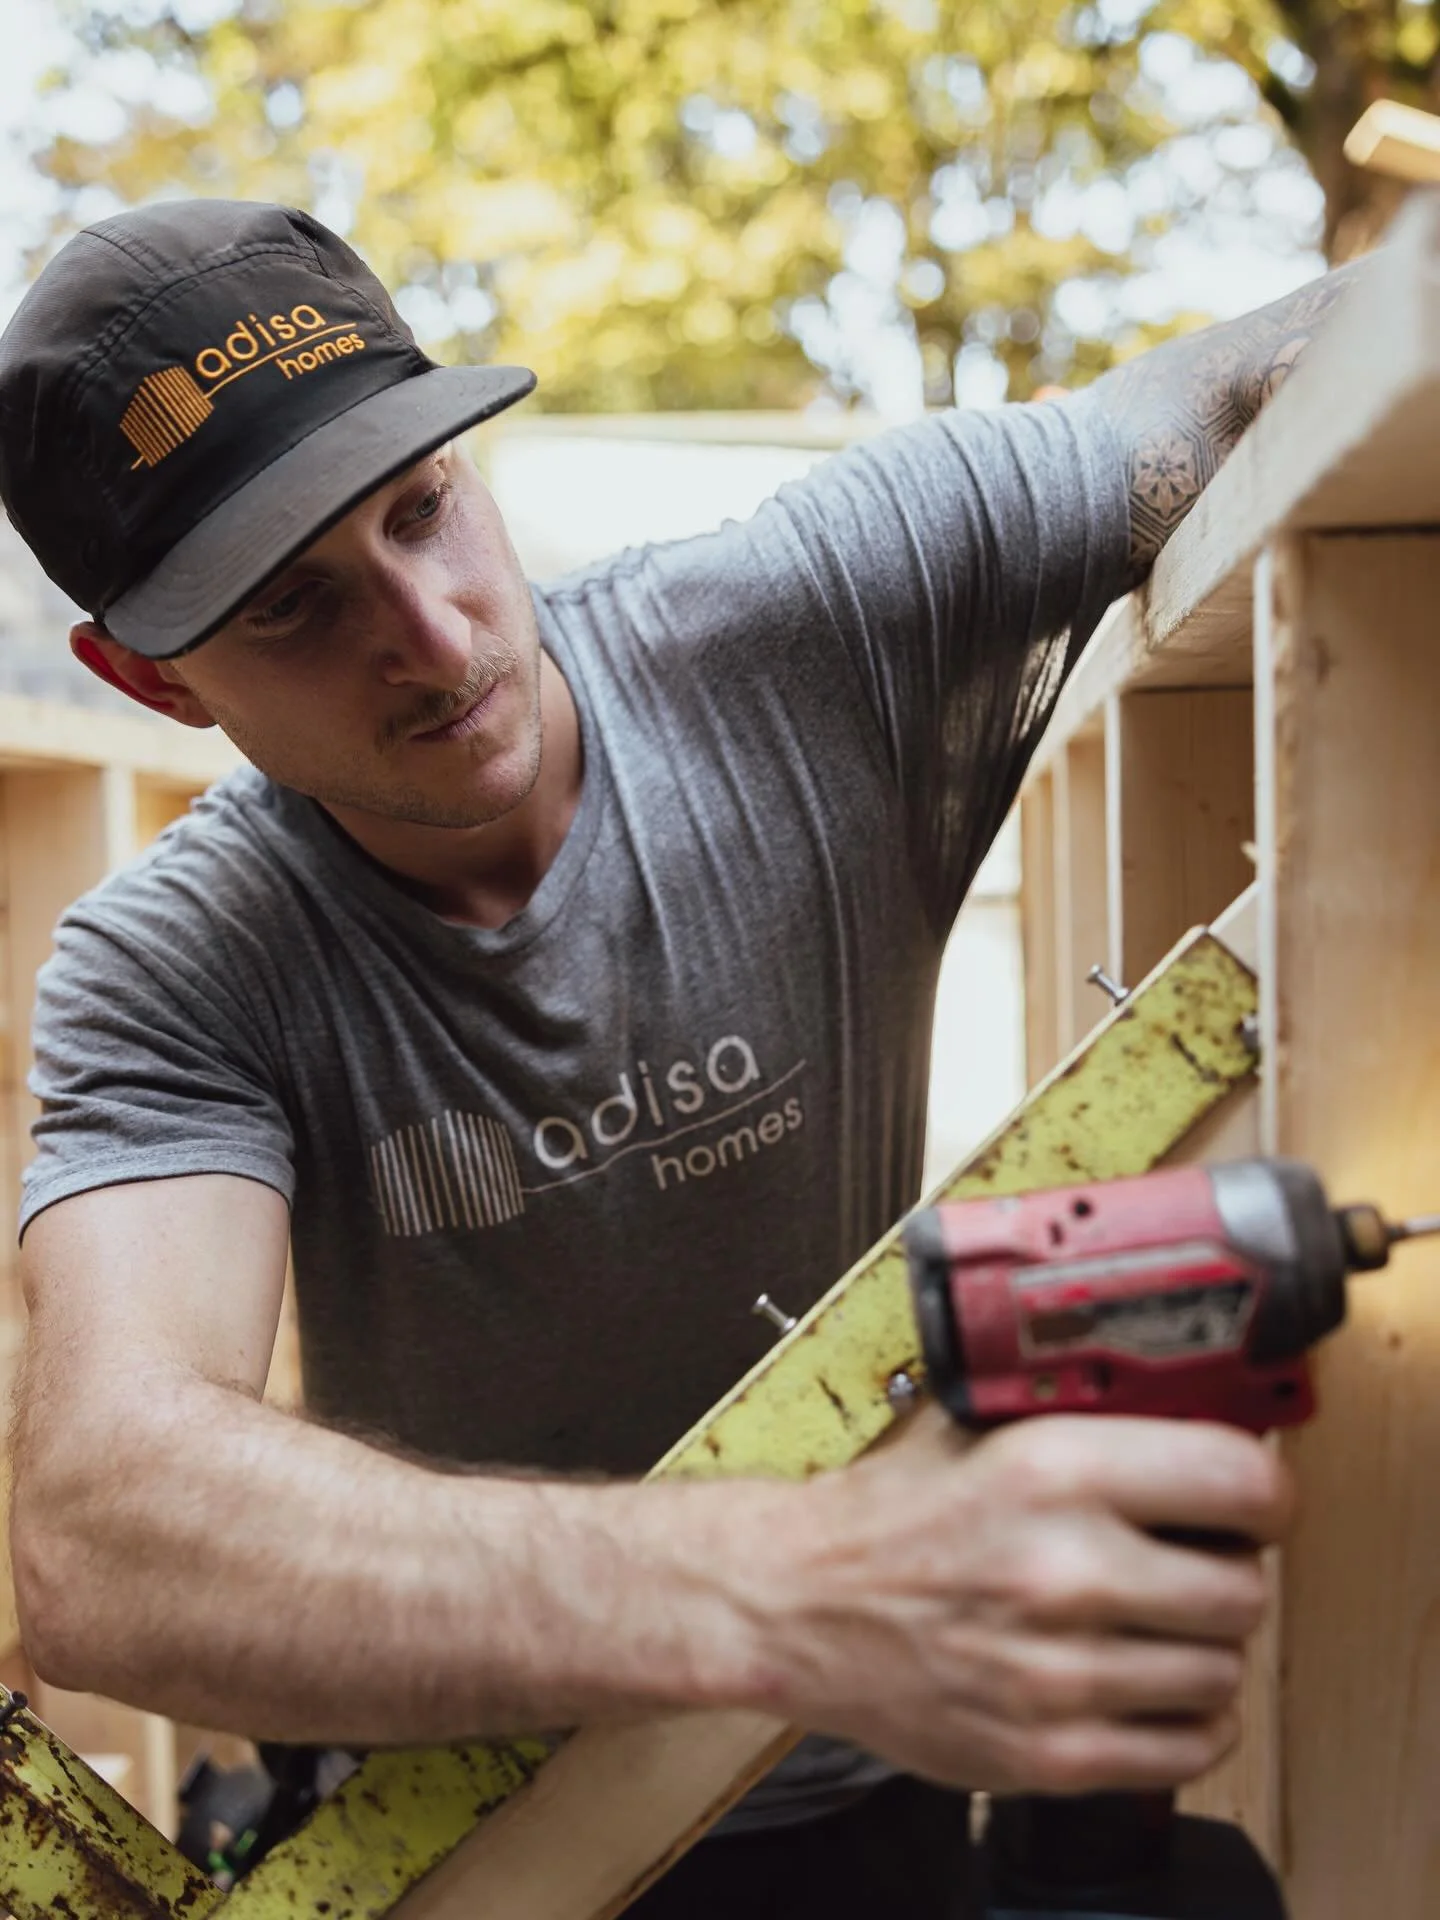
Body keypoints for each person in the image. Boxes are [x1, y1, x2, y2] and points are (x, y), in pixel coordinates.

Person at [0, 197, 1345, 1917]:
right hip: (469, 1828)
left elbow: (1277, 377)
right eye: (292, 610)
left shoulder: (813, 633)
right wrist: (808, 1592)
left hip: (868, 1777)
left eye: (424, 511)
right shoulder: (173, 966)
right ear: (151, 681)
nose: (432, 635)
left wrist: (832, 1633)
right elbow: (107, 1539)